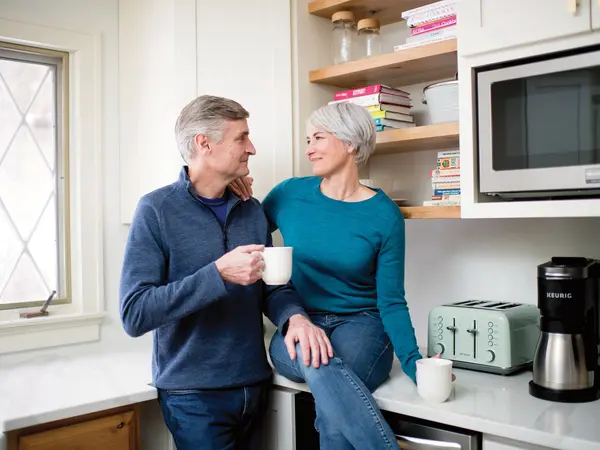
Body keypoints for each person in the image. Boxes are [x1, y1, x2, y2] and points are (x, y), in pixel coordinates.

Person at [119, 95, 333, 450]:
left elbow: (273, 288)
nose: (251, 148)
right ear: (204, 143)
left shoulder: (250, 210)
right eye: (241, 137)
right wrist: (217, 275)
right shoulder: (155, 210)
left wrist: (296, 318)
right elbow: (135, 313)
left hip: (254, 384)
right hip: (193, 396)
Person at [230, 102, 425, 450]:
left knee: (331, 401)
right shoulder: (289, 194)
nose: (309, 148)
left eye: (318, 137)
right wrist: (232, 187)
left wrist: (415, 364)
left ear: (350, 143)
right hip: (299, 320)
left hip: (363, 324)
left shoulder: (384, 216)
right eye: (308, 139)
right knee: (317, 362)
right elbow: (245, 233)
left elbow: (392, 300)